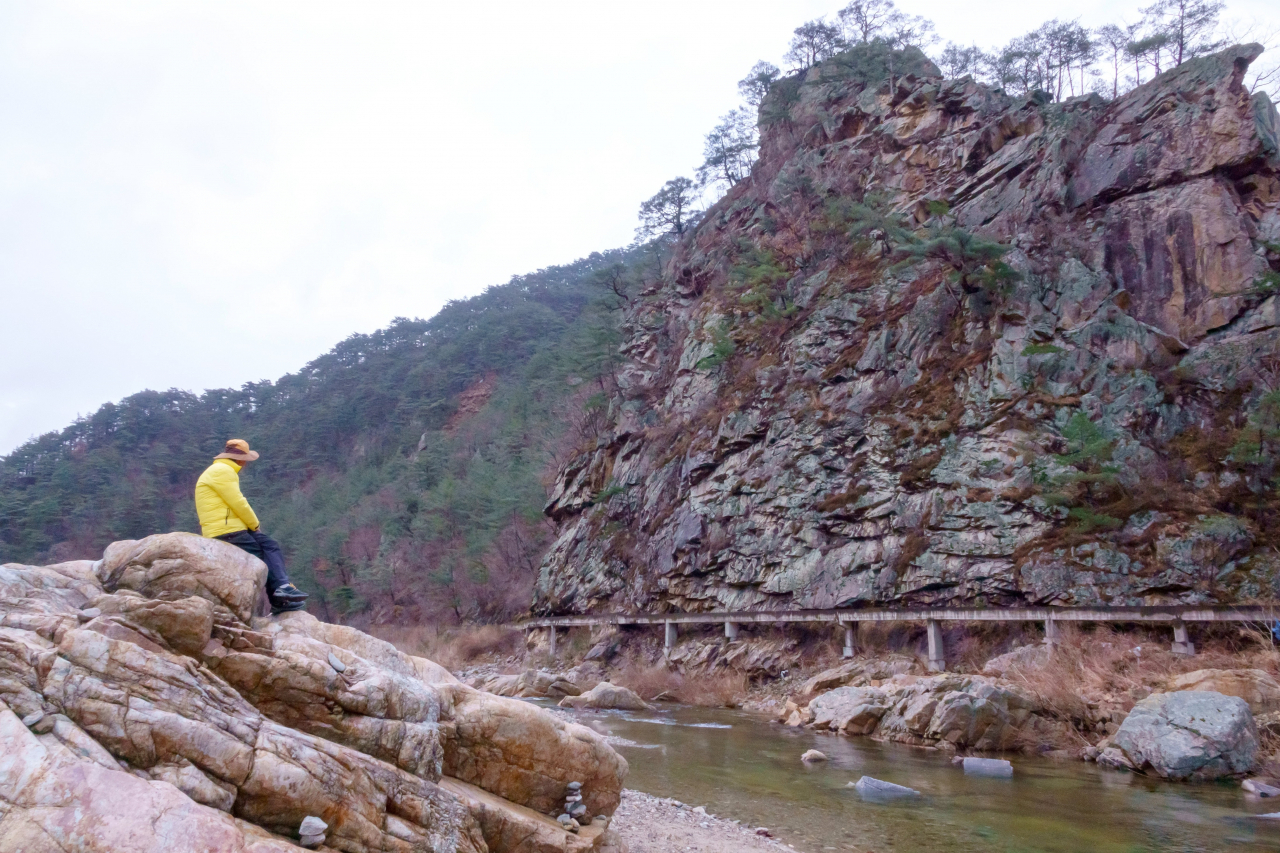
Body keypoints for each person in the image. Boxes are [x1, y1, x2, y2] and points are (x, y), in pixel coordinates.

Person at [195, 439, 308, 614]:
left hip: (230, 527)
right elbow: (238, 503)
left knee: (270, 545)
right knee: (260, 555)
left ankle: (282, 587)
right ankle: (279, 598)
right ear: (239, 459)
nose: (246, 463)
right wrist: (255, 525)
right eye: (246, 459)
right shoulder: (223, 471)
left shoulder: (220, 470)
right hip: (225, 530)